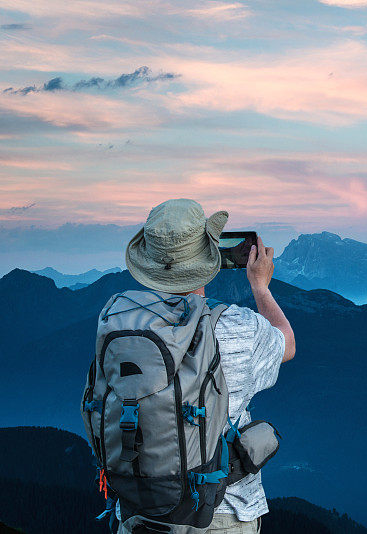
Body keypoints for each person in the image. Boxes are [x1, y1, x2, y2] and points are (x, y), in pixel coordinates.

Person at [119, 198, 296, 533]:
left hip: (140, 511)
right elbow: (286, 343)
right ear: (208, 259)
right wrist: (261, 287)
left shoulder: (118, 324)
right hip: (221, 512)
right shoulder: (236, 327)